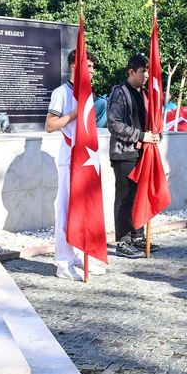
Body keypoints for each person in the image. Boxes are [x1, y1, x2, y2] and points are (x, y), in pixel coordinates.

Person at [45, 49, 108, 280]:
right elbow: (50, 125)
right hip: (70, 157)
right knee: (65, 210)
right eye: (88, 66)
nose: (92, 71)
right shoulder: (61, 92)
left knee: (86, 208)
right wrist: (74, 113)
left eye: (92, 67)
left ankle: (83, 254)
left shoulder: (88, 94)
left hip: (87, 158)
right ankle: (63, 262)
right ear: (75, 67)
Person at [107, 53, 160, 259]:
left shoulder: (146, 94)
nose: (146, 75)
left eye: (147, 70)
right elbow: (114, 123)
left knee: (140, 197)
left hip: (143, 152)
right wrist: (141, 135)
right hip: (124, 153)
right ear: (131, 71)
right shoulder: (120, 92)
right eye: (142, 71)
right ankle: (123, 240)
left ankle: (138, 236)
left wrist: (154, 134)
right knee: (124, 198)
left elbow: (151, 121)